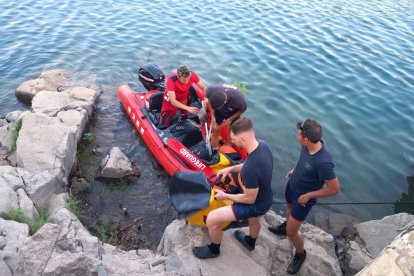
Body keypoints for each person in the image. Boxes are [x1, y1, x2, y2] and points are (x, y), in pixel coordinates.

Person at [192, 118, 274, 259]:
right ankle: (250, 242)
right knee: (254, 219)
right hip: (266, 197)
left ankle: (214, 250)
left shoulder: (251, 169)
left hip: (255, 203)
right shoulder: (263, 146)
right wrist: (230, 168)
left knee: (212, 219)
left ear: (242, 137)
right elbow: (249, 165)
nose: (232, 142)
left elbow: (249, 199)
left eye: (233, 139)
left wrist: (225, 196)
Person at [268, 119, 340, 274]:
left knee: (292, 233)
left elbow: (334, 189)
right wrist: (294, 170)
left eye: (299, 134)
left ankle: (300, 254)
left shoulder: (324, 162)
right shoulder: (307, 146)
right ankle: (285, 226)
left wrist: (309, 195)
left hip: (303, 199)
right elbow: (304, 162)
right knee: (288, 207)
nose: (297, 135)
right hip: (292, 186)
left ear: (306, 138)